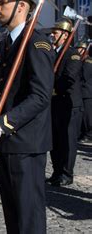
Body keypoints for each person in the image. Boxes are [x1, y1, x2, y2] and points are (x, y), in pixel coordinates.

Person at [0, 0, 54, 233]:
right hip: (9, 142)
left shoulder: (36, 42)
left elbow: (41, 95)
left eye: (3, 2)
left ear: (21, 6)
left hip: (26, 141)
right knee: (12, 212)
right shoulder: (7, 41)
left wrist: (5, 123)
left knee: (28, 214)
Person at [47, 19, 83, 186]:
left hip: (68, 103)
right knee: (55, 139)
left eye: (56, 32)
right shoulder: (54, 53)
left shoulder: (72, 54)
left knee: (67, 140)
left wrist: (53, 88)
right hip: (54, 103)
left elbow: (69, 77)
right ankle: (56, 171)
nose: (52, 35)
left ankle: (66, 174)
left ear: (65, 35)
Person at [77, 41, 92, 142]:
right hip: (83, 91)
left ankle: (89, 134)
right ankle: (83, 133)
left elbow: (85, 76)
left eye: (79, 48)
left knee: (87, 115)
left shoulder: (87, 61)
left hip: (86, 91)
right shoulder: (82, 60)